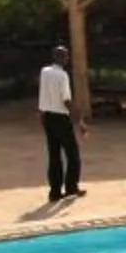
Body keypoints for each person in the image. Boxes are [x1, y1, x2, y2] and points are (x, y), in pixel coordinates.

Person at [37, 45, 85, 203]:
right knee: (73, 154)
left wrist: (41, 114)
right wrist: (79, 120)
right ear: (62, 58)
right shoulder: (62, 76)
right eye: (66, 56)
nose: (68, 59)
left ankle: (55, 191)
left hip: (47, 117)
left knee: (54, 154)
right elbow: (66, 101)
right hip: (60, 118)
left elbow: (43, 94)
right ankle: (71, 187)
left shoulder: (44, 72)